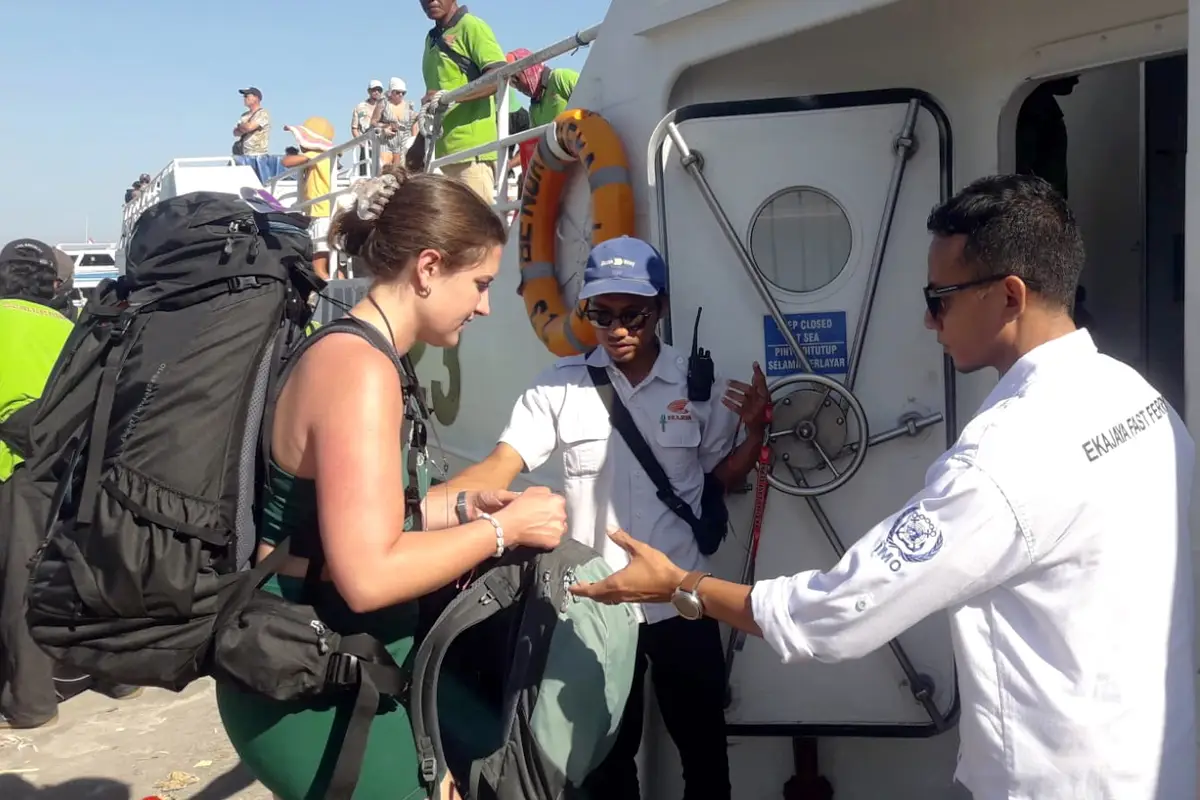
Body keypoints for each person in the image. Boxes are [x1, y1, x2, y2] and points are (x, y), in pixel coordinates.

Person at [570, 175, 1197, 800]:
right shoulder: (1140, 401)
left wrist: (683, 587)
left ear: (1009, 296)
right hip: (1159, 762)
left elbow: (838, 613)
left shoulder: (1006, 456)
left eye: (940, 296)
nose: (928, 319)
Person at [215, 165, 569, 800]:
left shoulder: (367, 353)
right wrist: (500, 531)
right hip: (305, 677)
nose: (487, 305)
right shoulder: (359, 369)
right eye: (481, 284)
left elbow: (360, 518)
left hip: (345, 660)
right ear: (429, 268)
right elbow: (368, 573)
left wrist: (463, 505)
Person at [447, 236, 769, 800]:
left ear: (661, 309)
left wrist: (757, 431)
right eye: (602, 314)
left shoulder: (698, 391)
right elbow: (501, 465)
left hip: (682, 604)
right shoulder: (558, 386)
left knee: (706, 759)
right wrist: (427, 508)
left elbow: (721, 477)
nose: (617, 328)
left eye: (633, 313)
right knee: (604, 766)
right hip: (594, 609)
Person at [0, 239, 141, 729]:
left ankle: (32, 703)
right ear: (56, 285)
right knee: (85, 569)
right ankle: (118, 676)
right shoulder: (70, 328)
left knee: (21, 582)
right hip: (82, 461)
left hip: (16, 471)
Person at [420, 0, 508, 202]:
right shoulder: (431, 39)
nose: (431, 1)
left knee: (478, 229)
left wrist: (449, 97)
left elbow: (499, 75)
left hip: (473, 154)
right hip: (444, 155)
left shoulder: (471, 26)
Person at [282, 117, 337, 280]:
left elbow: (287, 162)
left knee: (318, 268)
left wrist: (292, 154)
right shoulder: (327, 155)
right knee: (331, 265)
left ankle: (330, 299)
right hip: (324, 212)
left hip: (322, 214)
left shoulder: (316, 154)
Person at [370, 77, 418, 167]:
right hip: (386, 141)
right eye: (397, 92)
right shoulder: (383, 104)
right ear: (391, 92)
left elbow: (413, 124)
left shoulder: (409, 106)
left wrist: (414, 139)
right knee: (385, 168)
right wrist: (384, 127)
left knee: (399, 170)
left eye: (403, 93)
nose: (400, 95)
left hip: (403, 142)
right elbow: (373, 122)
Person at [232, 87, 270, 156]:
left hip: (257, 154)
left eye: (246, 96)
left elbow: (249, 127)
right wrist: (244, 127)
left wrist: (241, 126)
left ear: (256, 98)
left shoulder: (263, 114)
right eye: (244, 96)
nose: (244, 99)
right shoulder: (244, 115)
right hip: (243, 153)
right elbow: (235, 132)